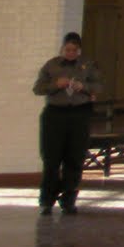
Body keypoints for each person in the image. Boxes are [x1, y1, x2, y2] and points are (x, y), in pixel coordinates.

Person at [32, 31, 103, 216]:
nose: (70, 53)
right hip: (55, 114)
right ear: (62, 49)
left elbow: (98, 86)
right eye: (67, 50)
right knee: (51, 159)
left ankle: (68, 200)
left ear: (79, 50)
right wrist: (56, 84)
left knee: (75, 158)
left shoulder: (88, 65)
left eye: (74, 50)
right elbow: (38, 88)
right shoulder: (51, 65)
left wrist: (84, 87)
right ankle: (47, 200)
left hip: (79, 114)